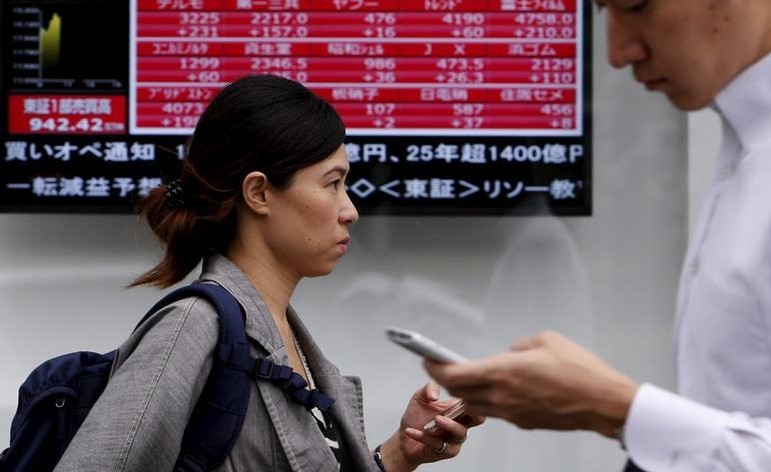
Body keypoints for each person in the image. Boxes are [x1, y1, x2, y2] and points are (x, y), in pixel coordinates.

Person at [425, 0, 771, 470]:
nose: (618, 50)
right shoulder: (743, 137)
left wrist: (616, 409)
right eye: (602, 9)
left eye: (636, 4)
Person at [55, 74, 480, 471]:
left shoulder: (276, 332)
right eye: (332, 183)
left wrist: (398, 454)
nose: (349, 211)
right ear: (259, 192)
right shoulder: (193, 327)